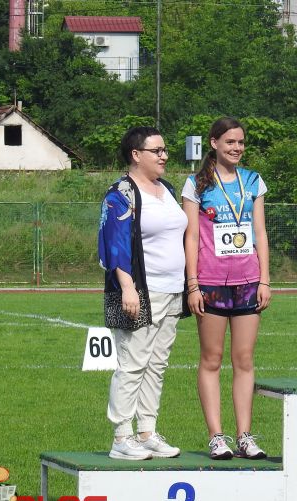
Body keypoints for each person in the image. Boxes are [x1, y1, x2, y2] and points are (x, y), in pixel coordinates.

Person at [183, 117, 271, 460]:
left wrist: (265, 279)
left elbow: (260, 232)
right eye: (230, 142)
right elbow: (191, 236)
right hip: (211, 282)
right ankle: (217, 437)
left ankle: (245, 436)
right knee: (212, 359)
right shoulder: (196, 184)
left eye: (241, 142)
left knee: (244, 359)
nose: (236, 148)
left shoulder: (252, 180)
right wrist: (192, 284)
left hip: (248, 282)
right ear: (214, 143)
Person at [98, 126, 188, 461]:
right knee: (132, 363)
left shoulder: (167, 189)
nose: (164, 156)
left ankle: (147, 432)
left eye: (165, 150)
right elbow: (115, 244)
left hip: (172, 290)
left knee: (157, 364)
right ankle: (121, 436)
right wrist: (127, 288)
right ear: (136, 155)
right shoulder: (120, 193)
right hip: (139, 292)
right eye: (157, 151)